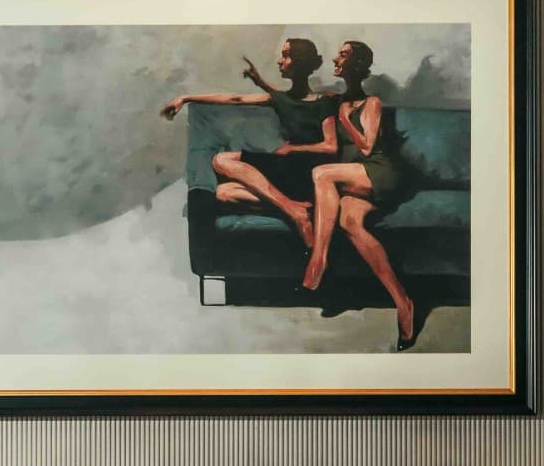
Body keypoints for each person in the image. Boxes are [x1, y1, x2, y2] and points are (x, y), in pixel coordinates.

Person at [299, 39, 420, 347]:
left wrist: (342, 118)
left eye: (343, 55)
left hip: (379, 172)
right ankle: (404, 303)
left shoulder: (372, 103)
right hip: (354, 178)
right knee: (349, 224)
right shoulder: (335, 100)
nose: (335, 59)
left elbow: (367, 147)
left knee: (322, 174)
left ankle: (319, 259)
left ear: (355, 65)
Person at [160, 36, 335, 238]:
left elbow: (331, 146)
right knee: (222, 193)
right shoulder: (279, 98)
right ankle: (294, 209)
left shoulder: (325, 101)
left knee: (222, 160)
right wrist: (185, 98)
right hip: (286, 166)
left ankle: (294, 211)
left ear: (301, 61)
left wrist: (293, 149)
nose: (280, 61)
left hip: (309, 172)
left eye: (286, 56)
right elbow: (236, 98)